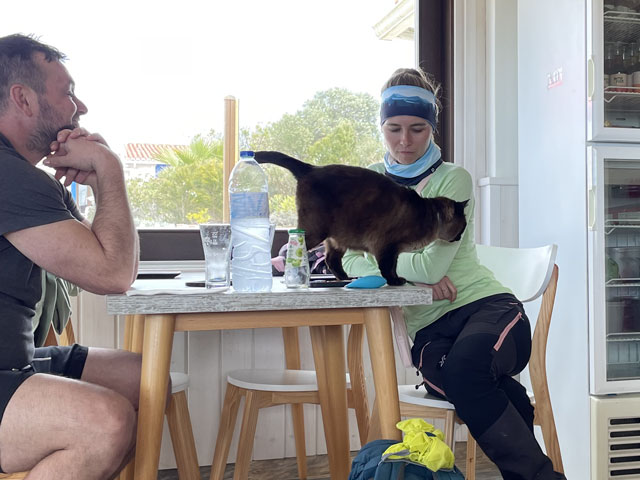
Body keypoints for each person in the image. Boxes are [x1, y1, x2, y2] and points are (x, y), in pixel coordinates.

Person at [342, 68, 566, 480]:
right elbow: (347, 261)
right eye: (394, 129)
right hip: (429, 331)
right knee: (472, 379)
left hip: (487, 309)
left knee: (465, 372)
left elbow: (432, 266)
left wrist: (381, 255)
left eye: (417, 129)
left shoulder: (452, 180)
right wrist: (411, 272)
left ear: (432, 127)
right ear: (381, 126)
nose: (404, 141)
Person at [0, 34, 158, 479]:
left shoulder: (25, 177)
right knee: (105, 422)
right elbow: (113, 274)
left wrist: (98, 181)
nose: (80, 107)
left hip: (15, 361)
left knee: (145, 378)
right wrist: (110, 168)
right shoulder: (8, 175)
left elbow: (108, 257)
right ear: (23, 98)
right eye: (67, 93)